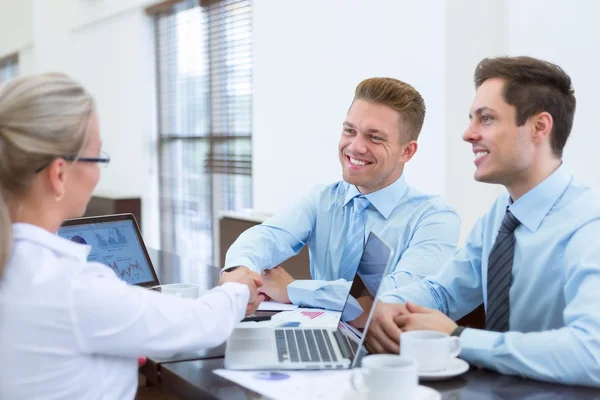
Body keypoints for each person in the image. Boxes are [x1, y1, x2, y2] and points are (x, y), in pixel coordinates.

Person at [0, 73, 263, 399]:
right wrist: (235, 286)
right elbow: (203, 323)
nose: (98, 173)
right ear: (58, 174)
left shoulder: (20, 267)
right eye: (98, 158)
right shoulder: (70, 287)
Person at [366, 56, 600, 387]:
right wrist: (388, 305)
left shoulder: (590, 225)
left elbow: (592, 353)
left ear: (539, 127)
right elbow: (443, 291)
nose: (468, 134)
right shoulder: (502, 216)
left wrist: (458, 336)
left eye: (486, 119)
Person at [224, 77, 460, 313]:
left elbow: (397, 296)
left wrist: (294, 289)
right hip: (318, 337)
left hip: (388, 348)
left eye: (375, 137)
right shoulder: (322, 199)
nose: (356, 147)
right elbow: (266, 237)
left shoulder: (435, 218)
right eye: (350, 131)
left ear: (406, 151)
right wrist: (240, 271)